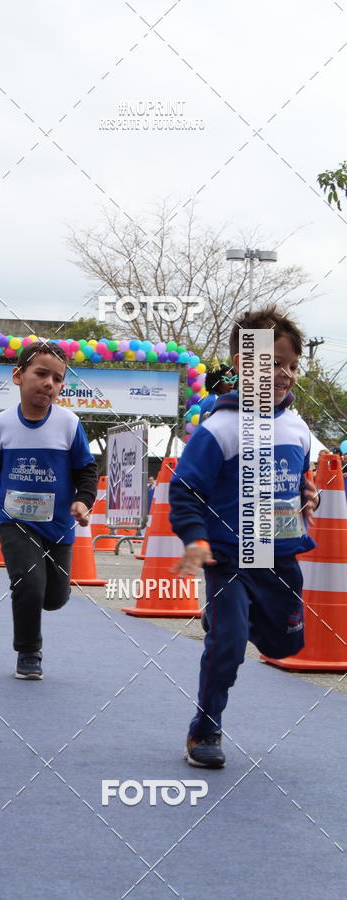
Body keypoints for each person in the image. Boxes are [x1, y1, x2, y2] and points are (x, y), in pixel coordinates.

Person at [169, 305, 320, 768]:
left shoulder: (297, 427)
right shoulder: (220, 427)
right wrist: (196, 540)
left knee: (284, 646)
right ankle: (205, 728)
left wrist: (306, 494)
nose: (284, 374)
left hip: (280, 560)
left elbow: (298, 478)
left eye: (292, 365)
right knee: (229, 646)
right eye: (272, 362)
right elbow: (185, 491)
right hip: (230, 558)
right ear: (240, 363)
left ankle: (229, 621)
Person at [0, 341, 98, 679]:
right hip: (15, 519)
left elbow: (87, 469)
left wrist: (83, 500)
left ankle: (35, 602)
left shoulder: (69, 423)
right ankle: (29, 652)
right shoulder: (1, 425)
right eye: (41, 374)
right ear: (18, 376)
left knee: (54, 597)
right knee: (28, 582)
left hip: (58, 524)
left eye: (57, 378)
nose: (49, 383)